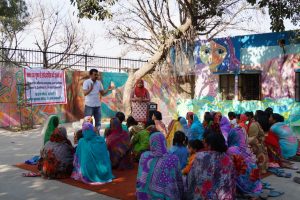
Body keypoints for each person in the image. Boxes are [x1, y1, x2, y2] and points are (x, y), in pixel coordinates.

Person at [187, 130, 236, 200]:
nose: (204, 145)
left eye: (205, 143)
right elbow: (232, 182)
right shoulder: (229, 160)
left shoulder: (200, 157)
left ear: (209, 145)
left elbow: (191, 179)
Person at [136, 132, 184, 199]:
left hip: (142, 194)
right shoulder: (173, 158)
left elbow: (139, 177)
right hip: (165, 196)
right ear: (164, 142)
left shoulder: (144, 155)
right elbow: (179, 179)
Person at [227, 127, 262, 195]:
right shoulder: (247, 149)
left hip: (243, 184)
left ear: (231, 136)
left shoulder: (231, 150)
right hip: (254, 182)